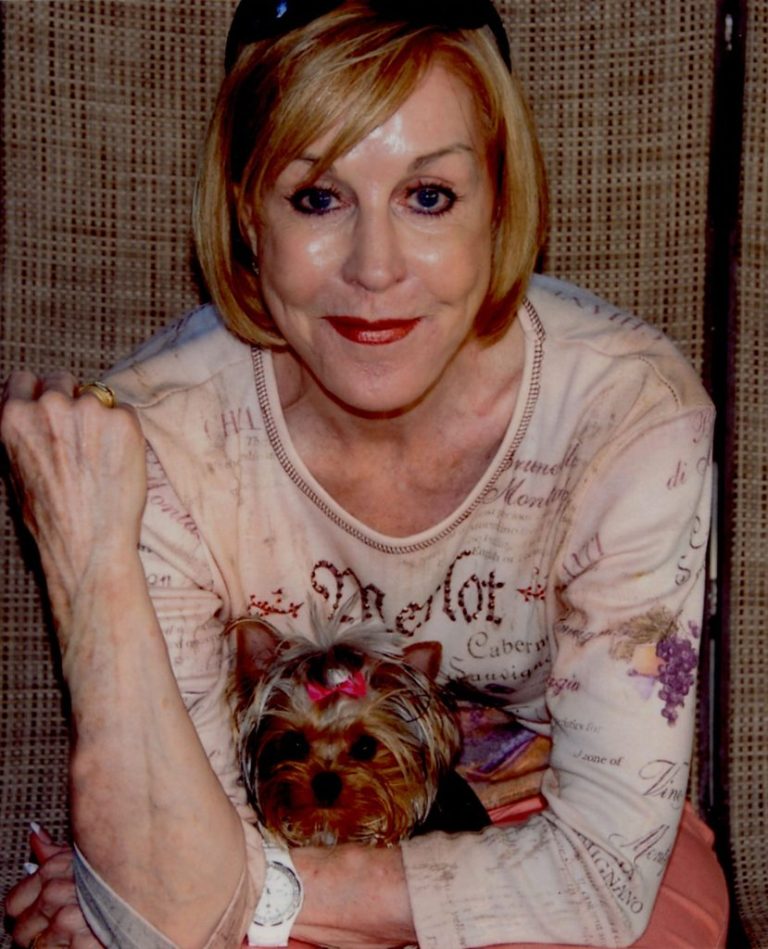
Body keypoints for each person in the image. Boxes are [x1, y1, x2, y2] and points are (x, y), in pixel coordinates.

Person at [2, 1, 729, 947]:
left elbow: (599, 875)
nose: (375, 270)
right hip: (262, 832)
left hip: (538, 831)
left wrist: (245, 895)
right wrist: (89, 560)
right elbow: (167, 916)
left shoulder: (629, 413)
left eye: (428, 196)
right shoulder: (154, 440)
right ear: (245, 214)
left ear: (502, 202)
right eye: (317, 197)